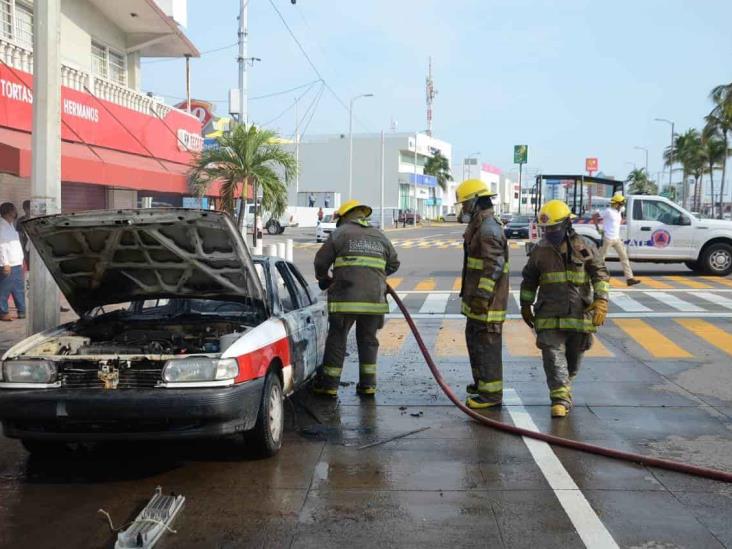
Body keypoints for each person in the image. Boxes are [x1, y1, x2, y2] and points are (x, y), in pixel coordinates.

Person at [520, 200, 610, 418]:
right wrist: (525, 304)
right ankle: (559, 399)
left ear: (566, 224)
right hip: (549, 314)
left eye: (553, 228)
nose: (549, 233)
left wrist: (602, 300)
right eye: (545, 229)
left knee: (573, 359)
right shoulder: (539, 251)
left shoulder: (583, 247)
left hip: (580, 314)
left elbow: (600, 273)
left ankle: (565, 389)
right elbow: (529, 279)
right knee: (552, 354)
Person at [312, 199, 400, 397]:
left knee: (337, 339)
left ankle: (329, 386)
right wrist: (375, 275)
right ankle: (368, 385)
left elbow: (320, 261)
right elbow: (394, 263)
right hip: (374, 300)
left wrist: (324, 279)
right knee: (368, 340)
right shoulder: (380, 235)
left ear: (344, 217)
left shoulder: (340, 234)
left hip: (345, 299)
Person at [455, 180, 510, 409]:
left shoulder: (488, 229)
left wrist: (481, 297)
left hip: (487, 303)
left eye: (466, 204)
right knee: (476, 342)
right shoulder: (480, 225)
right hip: (478, 302)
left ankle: (491, 395)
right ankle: (482, 385)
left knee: (487, 345)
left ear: (476, 202)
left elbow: (494, 266)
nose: (464, 208)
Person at [599, 193, 640, 286]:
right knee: (601, 259)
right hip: (608, 238)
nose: (622, 205)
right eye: (621, 203)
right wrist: (598, 227)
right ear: (616, 203)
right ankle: (598, 277)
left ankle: (630, 279)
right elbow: (595, 216)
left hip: (616, 239)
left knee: (624, 258)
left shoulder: (619, 211)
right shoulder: (608, 211)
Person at [0, 202, 26, 321]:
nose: (16, 212)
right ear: (9, 211)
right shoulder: (1, 226)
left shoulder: (11, 225)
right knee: (4, 289)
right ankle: (2, 312)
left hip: (16, 263)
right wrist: (5, 263)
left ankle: (22, 311)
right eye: (14, 210)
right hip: (8, 264)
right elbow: (1, 246)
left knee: (18, 288)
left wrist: (21, 260)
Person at [16, 199, 30, 266]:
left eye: (29, 208)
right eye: (26, 208)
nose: (28, 211)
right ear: (24, 209)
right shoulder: (21, 220)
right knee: (27, 262)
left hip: (35, 245)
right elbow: (19, 235)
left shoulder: (36, 219)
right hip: (25, 245)